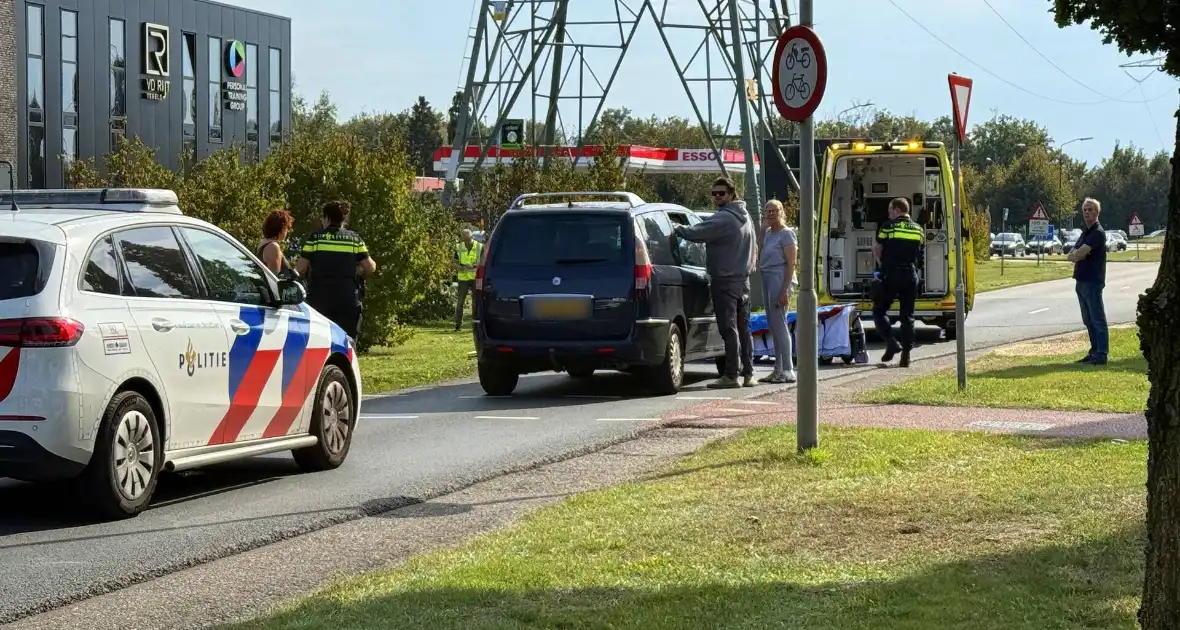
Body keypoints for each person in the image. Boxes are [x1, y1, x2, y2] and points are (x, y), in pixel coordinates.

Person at [674, 177, 757, 389]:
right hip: (743, 280)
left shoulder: (724, 219)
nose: (716, 197)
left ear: (731, 194)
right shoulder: (746, 217)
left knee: (728, 329)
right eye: (714, 193)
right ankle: (749, 373)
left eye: (720, 193)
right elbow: (755, 248)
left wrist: (678, 229)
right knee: (743, 328)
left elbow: (697, 233)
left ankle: (730, 375)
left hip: (725, 281)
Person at [295, 200, 377, 340]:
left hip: (320, 298)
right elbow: (370, 267)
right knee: (348, 340)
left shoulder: (316, 238)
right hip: (348, 297)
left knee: (320, 339)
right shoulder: (354, 239)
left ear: (327, 218)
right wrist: (359, 275)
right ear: (343, 219)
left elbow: (300, 269)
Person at [872, 197, 924, 368]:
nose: (889, 213)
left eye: (890, 210)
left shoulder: (888, 226)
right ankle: (906, 357)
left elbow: (878, 249)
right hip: (910, 275)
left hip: (892, 274)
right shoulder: (918, 230)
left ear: (897, 210)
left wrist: (881, 265)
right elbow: (919, 255)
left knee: (879, 310)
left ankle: (891, 341)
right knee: (907, 316)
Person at [757, 199, 798, 384]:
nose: (770, 213)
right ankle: (778, 369)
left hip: (779, 278)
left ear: (781, 212)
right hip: (766, 277)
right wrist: (761, 228)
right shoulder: (767, 233)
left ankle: (788, 369)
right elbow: (760, 250)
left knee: (780, 325)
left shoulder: (786, 234)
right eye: (767, 210)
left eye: (774, 210)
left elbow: (791, 263)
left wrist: (784, 290)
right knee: (773, 325)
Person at [1066, 197, 1108, 365]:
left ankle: (1102, 354)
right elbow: (1071, 253)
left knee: (1097, 318)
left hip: (1092, 280)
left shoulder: (1098, 232)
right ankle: (1094, 351)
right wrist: (1076, 254)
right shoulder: (1086, 233)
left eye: (1091, 210)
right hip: (1081, 280)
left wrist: (1077, 254)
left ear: (1097, 212)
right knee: (1088, 319)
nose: (1087, 212)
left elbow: (1080, 253)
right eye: (1085, 210)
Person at [454, 228, 483, 332]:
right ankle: (458, 325)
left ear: (471, 237)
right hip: (463, 278)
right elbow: (455, 262)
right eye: (464, 239)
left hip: (476, 278)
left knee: (478, 301)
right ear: (462, 238)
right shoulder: (458, 247)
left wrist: (474, 265)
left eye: (468, 238)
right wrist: (459, 267)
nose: (466, 241)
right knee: (460, 303)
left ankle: (478, 325)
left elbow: (484, 262)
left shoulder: (480, 247)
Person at [257, 209, 294, 277]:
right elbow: (275, 277)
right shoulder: (273, 247)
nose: (287, 232)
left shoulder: (263, 244)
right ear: (281, 228)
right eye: (286, 228)